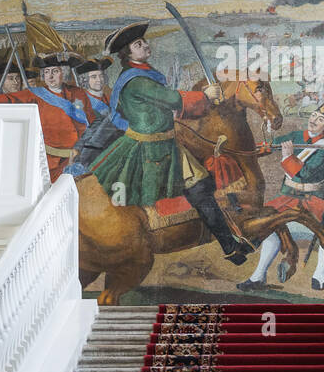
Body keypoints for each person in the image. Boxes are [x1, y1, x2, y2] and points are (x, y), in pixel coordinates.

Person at [88, 22, 254, 263]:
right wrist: (204, 96)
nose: (145, 45)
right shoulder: (137, 80)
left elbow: (159, 108)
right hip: (152, 149)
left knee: (203, 187)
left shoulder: (144, 73)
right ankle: (229, 248)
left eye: (144, 41)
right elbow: (169, 98)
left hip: (162, 142)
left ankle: (228, 243)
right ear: (128, 54)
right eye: (138, 44)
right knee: (200, 189)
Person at [237, 91, 324, 296]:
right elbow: (271, 145)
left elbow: (306, 173)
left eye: (321, 119)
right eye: (314, 115)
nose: (314, 120)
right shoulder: (296, 136)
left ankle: (321, 278)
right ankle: (258, 276)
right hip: (289, 196)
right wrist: (267, 142)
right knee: (267, 224)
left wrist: (288, 157)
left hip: (314, 198)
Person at [0, 53, 88, 181]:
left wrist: (79, 150)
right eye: (46, 72)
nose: (50, 76)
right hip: (50, 159)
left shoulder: (77, 92)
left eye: (55, 71)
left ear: (64, 73)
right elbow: (9, 98)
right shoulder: (36, 94)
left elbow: (89, 122)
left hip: (78, 155)